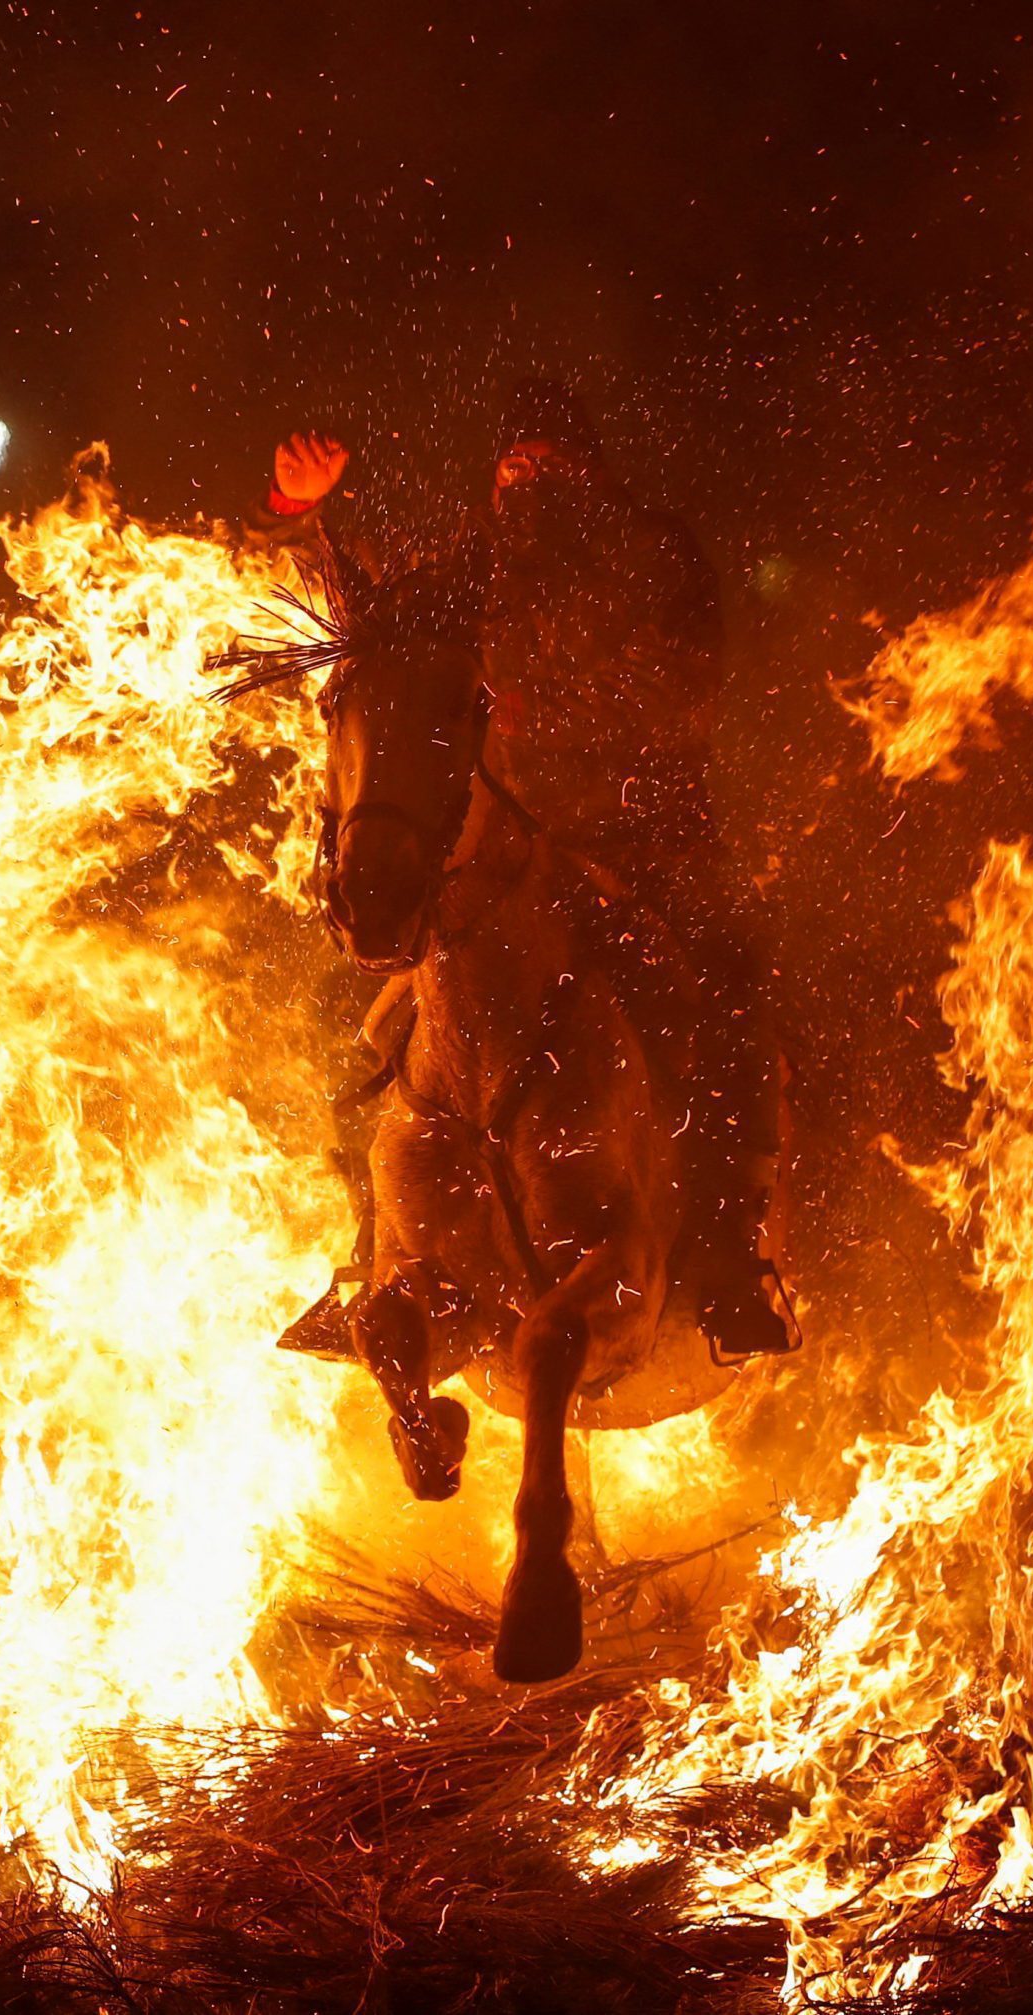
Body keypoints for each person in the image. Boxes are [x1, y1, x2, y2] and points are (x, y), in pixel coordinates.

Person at [251, 383, 794, 1361]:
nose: (528, 487)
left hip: (643, 843)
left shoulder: (651, 557)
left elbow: (679, 684)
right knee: (376, 1034)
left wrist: (543, 723)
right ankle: (373, 1252)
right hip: (503, 863)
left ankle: (725, 1250)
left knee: (729, 995)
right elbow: (360, 616)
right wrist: (303, 512)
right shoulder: (472, 570)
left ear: (591, 473)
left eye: (547, 467)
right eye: (513, 470)